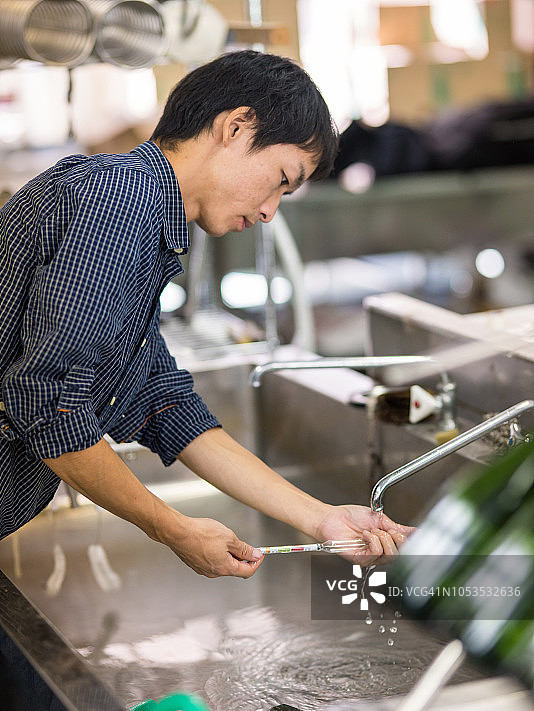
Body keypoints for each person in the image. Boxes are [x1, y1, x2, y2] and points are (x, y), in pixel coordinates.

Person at [0, 50, 413, 581]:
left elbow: (161, 401)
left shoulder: (142, 211)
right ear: (236, 127)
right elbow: (51, 401)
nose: (269, 212)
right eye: (281, 179)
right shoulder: (116, 200)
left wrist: (322, 518)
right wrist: (172, 527)